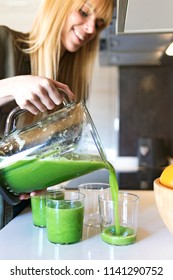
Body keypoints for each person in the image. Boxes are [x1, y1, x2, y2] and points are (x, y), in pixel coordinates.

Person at [0, 0, 114, 226]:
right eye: (84, 12)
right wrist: (11, 86)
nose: (91, 29)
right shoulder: (4, 42)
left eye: (99, 23)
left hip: (21, 205)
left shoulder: (72, 83)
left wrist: (40, 176)